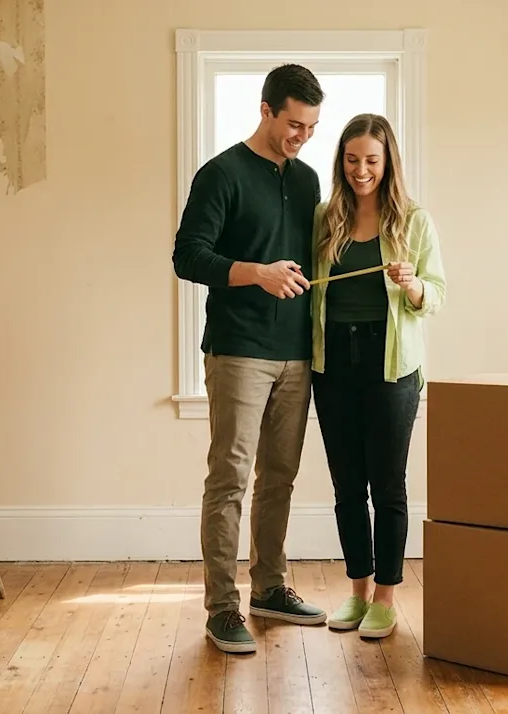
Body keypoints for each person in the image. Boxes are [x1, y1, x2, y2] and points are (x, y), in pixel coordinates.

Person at [171, 63, 330, 654]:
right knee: (230, 477)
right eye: (294, 124)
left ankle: (269, 587)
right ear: (266, 111)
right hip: (238, 350)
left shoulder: (310, 179)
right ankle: (222, 608)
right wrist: (256, 274)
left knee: (280, 478)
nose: (302, 136)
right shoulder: (221, 175)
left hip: (296, 355)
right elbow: (188, 257)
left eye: (311, 127)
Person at [308, 113, 447, 639]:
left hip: (391, 368)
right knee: (347, 487)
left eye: (371, 160)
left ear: (388, 162)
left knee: (387, 486)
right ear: (340, 162)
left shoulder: (413, 221)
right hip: (334, 365)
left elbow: (435, 296)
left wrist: (413, 286)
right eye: (351, 159)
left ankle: (386, 597)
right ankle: (358, 591)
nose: (360, 170)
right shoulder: (324, 218)